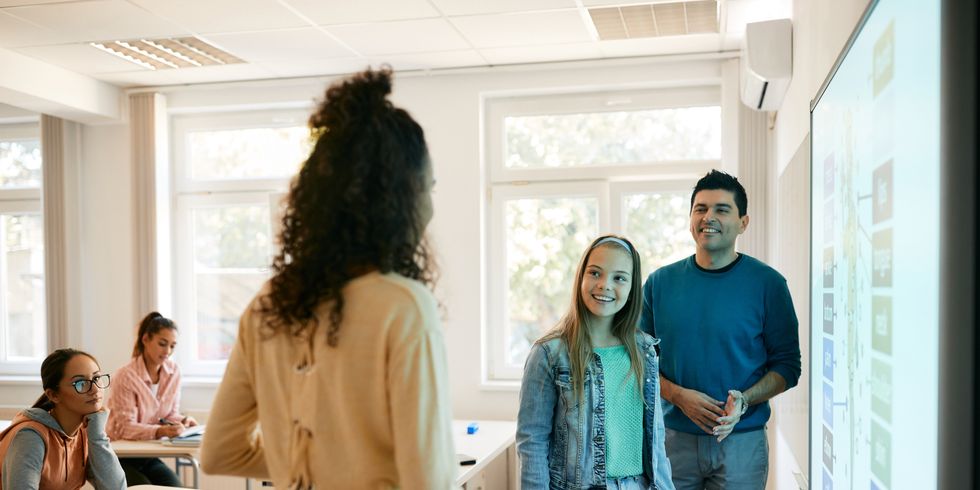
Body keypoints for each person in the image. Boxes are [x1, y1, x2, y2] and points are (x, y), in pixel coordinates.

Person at [200, 66, 455, 489]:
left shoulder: (268, 304)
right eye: (427, 188)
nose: (430, 208)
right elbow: (429, 480)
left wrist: (309, 462)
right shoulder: (403, 306)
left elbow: (219, 452)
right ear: (397, 200)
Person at [640, 170, 801, 490]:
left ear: (744, 222)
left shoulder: (768, 284)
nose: (708, 217)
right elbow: (637, 362)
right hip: (673, 441)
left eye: (721, 209)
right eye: (700, 209)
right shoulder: (659, 283)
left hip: (741, 444)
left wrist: (745, 399)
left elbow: (788, 366)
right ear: (689, 220)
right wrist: (677, 395)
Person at [517, 234, 675, 490]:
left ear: (632, 287)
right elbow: (532, 442)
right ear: (581, 277)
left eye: (619, 278)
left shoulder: (645, 350)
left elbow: (656, 440)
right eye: (595, 273)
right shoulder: (548, 353)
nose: (604, 285)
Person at [0, 348, 126, 489]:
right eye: (80, 383)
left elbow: (115, 488)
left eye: (96, 378)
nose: (95, 389)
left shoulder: (85, 431)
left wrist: (97, 435)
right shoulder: (30, 437)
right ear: (53, 395)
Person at [105, 312, 196, 487]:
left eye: (172, 346)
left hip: (146, 455)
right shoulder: (125, 376)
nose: (167, 352)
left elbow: (168, 414)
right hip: (119, 456)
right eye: (162, 344)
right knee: (144, 487)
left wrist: (183, 421)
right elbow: (126, 429)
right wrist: (161, 431)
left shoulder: (173, 372)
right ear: (146, 339)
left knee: (175, 486)